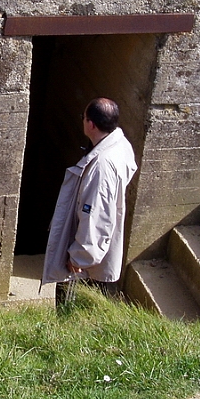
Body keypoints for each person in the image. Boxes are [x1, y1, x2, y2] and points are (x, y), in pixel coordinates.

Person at [41, 97, 138, 305]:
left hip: (86, 268)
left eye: (83, 118)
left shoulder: (101, 167)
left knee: (72, 312)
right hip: (98, 256)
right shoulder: (121, 145)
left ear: (91, 124)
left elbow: (95, 215)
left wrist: (79, 257)